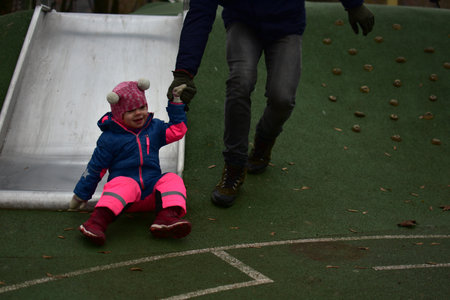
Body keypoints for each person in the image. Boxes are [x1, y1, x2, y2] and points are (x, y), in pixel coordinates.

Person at [167, 0, 375, 208]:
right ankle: (234, 165)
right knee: (240, 82)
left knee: (282, 98)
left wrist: (354, 4)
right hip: (243, 22)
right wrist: (184, 72)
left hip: (286, 24)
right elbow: (200, 14)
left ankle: (264, 140)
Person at [70, 79, 191, 245]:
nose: (139, 113)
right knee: (124, 183)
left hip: (151, 194)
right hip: (125, 200)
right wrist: (81, 194)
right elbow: (95, 168)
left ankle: (166, 217)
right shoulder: (110, 138)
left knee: (172, 179)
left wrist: (176, 103)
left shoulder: (153, 128)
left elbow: (177, 131)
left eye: (142, 107)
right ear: (120, 114)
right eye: (131, 110)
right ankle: (96, 223)